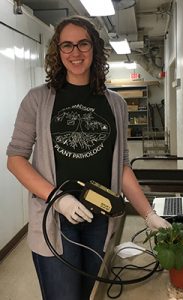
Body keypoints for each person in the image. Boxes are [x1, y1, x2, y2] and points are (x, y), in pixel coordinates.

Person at [6, 15, 170, 300]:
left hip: (100, 217)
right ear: (58, 52)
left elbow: (120, 165)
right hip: (55, 220)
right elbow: (15, 159)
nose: (75, 52)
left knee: (90, 294)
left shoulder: (115, 104)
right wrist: (57, 198)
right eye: (67, 45)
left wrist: (148, 213)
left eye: (83, 43)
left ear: (94, 48)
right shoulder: (38, 99)